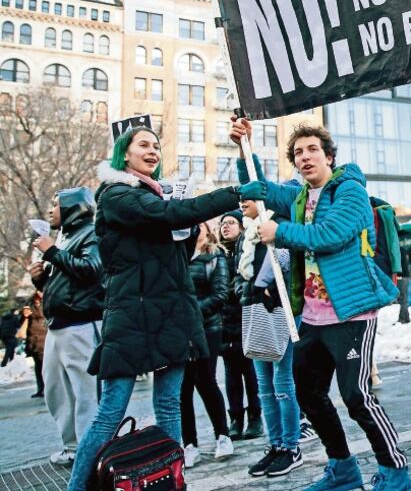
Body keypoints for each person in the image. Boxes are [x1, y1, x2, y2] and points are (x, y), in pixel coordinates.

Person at [231, 118, 411, 491]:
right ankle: (343, 470)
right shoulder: (300, 197)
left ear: (329, 156)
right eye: (298, 152)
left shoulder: (350, 191)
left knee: (357, 397)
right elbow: (259, 189)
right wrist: (243, 146)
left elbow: (329, 235)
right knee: (308, 393)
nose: (305, 157)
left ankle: (396, 473)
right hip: (313, 319)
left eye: (313, 149)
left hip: (352, 314)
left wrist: (279, 231)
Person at [65, 127, 250, 491]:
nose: (152, 151)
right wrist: (234, 194)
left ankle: (170, 482)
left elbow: (176, 255)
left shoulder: (156, 197)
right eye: (143, 145)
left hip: (170, 313)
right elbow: (168, 215)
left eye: (156, 146)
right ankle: (77, 487)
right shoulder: (117, 194)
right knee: (110, 413)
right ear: (125, 154)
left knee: (169, 405)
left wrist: (188, 232)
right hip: (131, 317)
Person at [28, 187, 103, 465]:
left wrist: (52, 252)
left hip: (81, 323)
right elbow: (65, 280)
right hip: (58, 325)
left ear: (72, 207)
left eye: (56, 204)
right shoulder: (65, 237)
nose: (51, 210)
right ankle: (72, 446)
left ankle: (90, 449)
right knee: (56, 390)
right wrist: (40, 279)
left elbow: (92, 270)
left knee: (85, 392)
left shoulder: (91, 233)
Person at [235, 198, 304, 478]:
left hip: (282, 309)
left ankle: (291, 447)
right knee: (263, 385)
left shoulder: (279, 224)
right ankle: (275, 445)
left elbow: (285, 259)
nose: (242, 203)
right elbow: (241, 273)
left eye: (248, 198)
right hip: (256, 310)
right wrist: (247, 289)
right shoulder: (249, 234)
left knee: (282, 381)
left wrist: (264, 285)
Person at [180, 223, 234, 468]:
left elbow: (220, 294)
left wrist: (190, 313)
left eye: (197, 227)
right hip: (180, 331)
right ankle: (189, 444)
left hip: (207, 328)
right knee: (183, 387)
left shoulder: (215, 257)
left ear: (206, 230)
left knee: (205, 381)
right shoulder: (178, 256)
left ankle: (223, 435)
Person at [219, 207, 263, 442]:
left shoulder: (246, 251)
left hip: (246, 318)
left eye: (230, 223)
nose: (225, 227)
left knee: (251, 372)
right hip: (225, 323)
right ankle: (235, 418)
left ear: (241, 226)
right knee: (231, 374)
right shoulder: (217, 254)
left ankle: (255, 417)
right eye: (222, 224)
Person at [23, 293, 47, 397]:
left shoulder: (47, 300)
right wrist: (24, 315)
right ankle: (41, 389)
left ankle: (46, 389)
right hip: (33, 338)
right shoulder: (29, 303)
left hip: (44, 336)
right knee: (38, 366)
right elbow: (22, 320)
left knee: (44, 365)